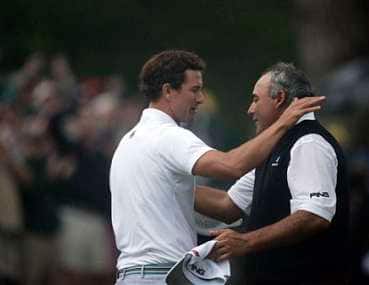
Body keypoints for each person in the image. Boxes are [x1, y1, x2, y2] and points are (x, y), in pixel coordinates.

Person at [109, 51, 324, 285]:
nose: (201, 98)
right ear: (168, 90)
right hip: (162, 275)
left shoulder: (128, 142)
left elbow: (223, 205)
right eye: (194, 89)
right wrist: (284, 122)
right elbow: (231, 165)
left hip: (131, 276)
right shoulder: (169, 136)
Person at [195, 62, 350, 285]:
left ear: (279, 98)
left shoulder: (308, 143)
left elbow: (313, 217)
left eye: (256, 99)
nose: (250, 109)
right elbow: (227, 204)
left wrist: (246, 241)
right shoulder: (278, 147)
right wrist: (171, 186)